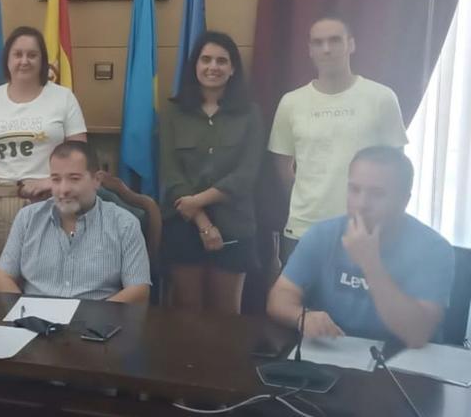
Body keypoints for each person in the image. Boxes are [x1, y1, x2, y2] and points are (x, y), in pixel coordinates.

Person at [267, 146, 454, 348]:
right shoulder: (322, 235)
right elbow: (280, 297)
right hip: (333, 351)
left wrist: (370, 264)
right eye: (354, 190)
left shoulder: (434, 249)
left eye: (377, 194)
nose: (362, 204)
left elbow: (417, 334)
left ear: (404, 200)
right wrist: (302, 317)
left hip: (403, 364)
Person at [269, 17, 407, 263]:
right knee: (297, 301)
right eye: (318, 42)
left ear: (351, 45)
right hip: (304, 229)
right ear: (309, 49)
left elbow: (395, 166)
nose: (326, 49)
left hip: (365, 230)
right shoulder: (291, 102)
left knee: (361, 301)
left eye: (335, 40)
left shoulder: (382, 98)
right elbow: (282, 165)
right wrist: (310, 198)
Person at [0, 26, 87, 266]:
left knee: (51, 271)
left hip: (51, 199)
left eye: (32, 55)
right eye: (18, 54)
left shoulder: (63, 97)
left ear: (43, 60)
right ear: (7, 60)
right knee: (4, 274)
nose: (24, 61)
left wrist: (51, 182)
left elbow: (79, 152)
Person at [159, 32, 264, 314]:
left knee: (226, 315)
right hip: (184, 222)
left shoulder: (250, 114)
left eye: (221, 61)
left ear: (232, 69)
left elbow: (246, 174)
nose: (212, 67)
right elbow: (171, 173)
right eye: (206, 59)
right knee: (186, 310)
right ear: (195, 65)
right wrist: (202, 221)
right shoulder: (172, 112)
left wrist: (199, 200)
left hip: (235, 223)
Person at [0, 141, 151, 303]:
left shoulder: (124, 224)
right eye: (56, 179)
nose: (63, 189)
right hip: (34, 322)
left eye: (74, 179)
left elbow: (138, 290)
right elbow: (2, 278)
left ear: (96, 180)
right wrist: (25, 315)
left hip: (96, 323)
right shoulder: (27, 218)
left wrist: (91, 318)